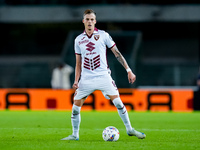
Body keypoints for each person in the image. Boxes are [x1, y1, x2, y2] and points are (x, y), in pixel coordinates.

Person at [61, 9, 146, 140]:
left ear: (95, 21)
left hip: (103, 76)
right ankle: (74, 135)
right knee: (75, 108)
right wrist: (76, 80)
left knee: (118, 102)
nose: (89, 22)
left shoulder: (103, 35)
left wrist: (128, 70)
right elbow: (78, 63)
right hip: (86, 78)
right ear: (83, 21)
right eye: (87, 19)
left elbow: (116, 53)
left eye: (92, 19)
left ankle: (129, 129)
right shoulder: (78, 40)